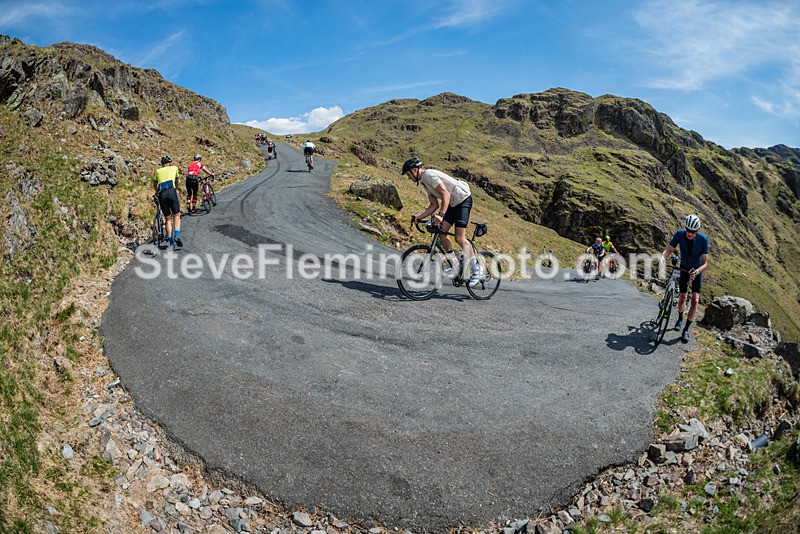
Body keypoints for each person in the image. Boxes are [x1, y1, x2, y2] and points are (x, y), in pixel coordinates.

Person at [401, 157, 481, 288]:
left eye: (409, 174)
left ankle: (477, 270)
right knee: (442, 234)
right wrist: (419, 218)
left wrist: (441, 215)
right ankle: (455, 265)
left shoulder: (429, 175)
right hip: (452, 204)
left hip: (462, 199)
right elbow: (433, 205)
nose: (409, 178)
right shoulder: (424, 182)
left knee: (460, 238)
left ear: (415, 170)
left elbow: (445, 194)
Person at [662, 214, 709, 343]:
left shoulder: (703, 240)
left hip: (696, 270)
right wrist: (662, 258)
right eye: (688, 230)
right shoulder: (680, 234)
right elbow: (669, 250)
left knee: (695, 300)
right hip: (684, 268)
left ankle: (686, 330)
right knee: (683, 297)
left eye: (693, 231)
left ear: (697, 231)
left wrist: (697, 271)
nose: (689, 233)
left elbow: (705, 263)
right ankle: (679, 318)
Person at [153, 155, 182, 248]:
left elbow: (155, 184)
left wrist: (156, 192)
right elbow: (177, 181)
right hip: (171, 191)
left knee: (168, 218)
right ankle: (176, 236)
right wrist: (175, 188)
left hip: (162, 194)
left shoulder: (158, 171)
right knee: (176, 215)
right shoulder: (174, 168)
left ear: (162, 164)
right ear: (170, 163)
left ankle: (171, 240)